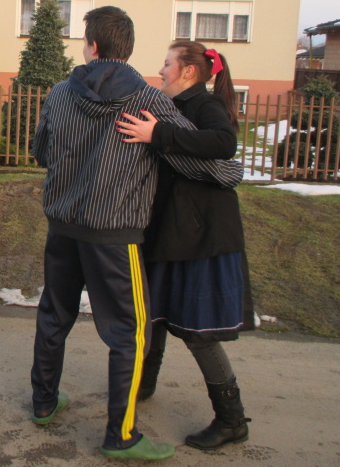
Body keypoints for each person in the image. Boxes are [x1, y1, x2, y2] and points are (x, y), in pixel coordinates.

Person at [29, 6, 244, 461]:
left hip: (64, 228)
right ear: (126, 49)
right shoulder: (149, 101)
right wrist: (230, 173)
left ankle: (44, 402)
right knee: (129, 333)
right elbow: (193, 158)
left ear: (92, 46)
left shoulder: (60, 94)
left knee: (54, 315)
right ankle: (121, 435)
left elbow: (41, 151)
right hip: (115, 235)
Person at [115, 41, 253, 450]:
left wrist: (159, 134)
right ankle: (143, 386)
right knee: (153, 316)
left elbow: (224, 144)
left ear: (188, 71)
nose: (161, 70)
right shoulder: (170, 106)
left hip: (201, 236)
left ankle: (231, 420)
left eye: (167, 63)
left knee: (199, 332)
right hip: (169, 232)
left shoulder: (204, 105)